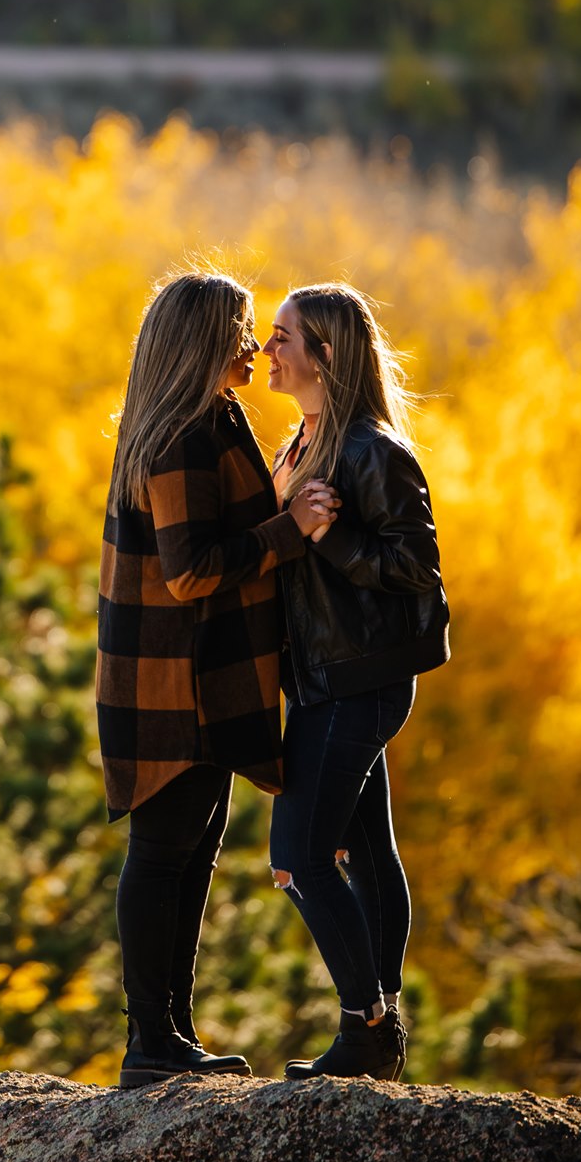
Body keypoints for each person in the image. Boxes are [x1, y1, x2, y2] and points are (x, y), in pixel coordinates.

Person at [96, 270, 331, 1089]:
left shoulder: (211, 421)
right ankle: (149, 1041)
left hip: (197, 676)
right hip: (171, 682)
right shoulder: (178, 438)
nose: (253, 344)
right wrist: (289, 531)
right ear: (202, 340)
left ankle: (170, 1034)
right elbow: (191, 572)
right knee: (165, 854)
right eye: (240, 329)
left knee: (190, 855)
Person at [263, 282, 450, 1082]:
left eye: (282, 337)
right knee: (366, 851)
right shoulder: (298, 442)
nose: (267, 350)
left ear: (324, 353)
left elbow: (417, 571)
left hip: (358, 679)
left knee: (299, 856)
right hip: (317, 679)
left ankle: (365, 1027)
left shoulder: (372, 450)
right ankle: (384, 1029)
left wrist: (330, 537)